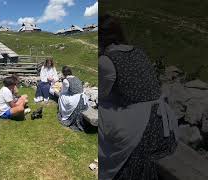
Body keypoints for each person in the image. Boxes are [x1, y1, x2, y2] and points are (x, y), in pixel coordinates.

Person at [98, 14, 178, 180]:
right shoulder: (138, 51)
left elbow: (103, 94)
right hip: (164, 124)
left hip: (141, 126)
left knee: (101, 112)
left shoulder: (107, 60)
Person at [57, 66, 89, 131]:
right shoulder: (76, 77)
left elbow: (64, 91)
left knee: (61, 95)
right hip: (83, 100)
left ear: (64, 73)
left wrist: (61, 89)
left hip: (76, 99)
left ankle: (64, 112)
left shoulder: (66, 80)